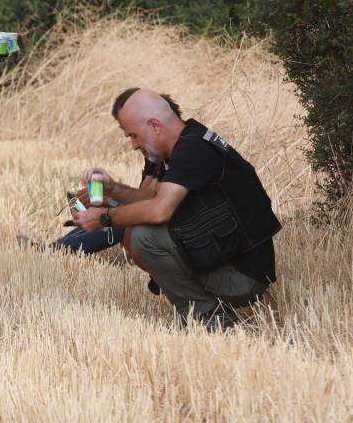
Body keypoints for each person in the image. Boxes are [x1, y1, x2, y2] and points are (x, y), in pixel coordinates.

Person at [72, 88, 281, 329]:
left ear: (154, 126)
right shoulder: (184, 142)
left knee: (141, 236)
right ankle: (204, 307)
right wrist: (111, 189)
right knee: (137, 231)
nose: (134, 145)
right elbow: (150, 198)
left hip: (242, 276)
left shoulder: (193, 149)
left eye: (134, 136)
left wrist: (105, 218)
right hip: (232, 260)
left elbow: (159, 209)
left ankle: (209, 317)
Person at [17, 94, 183, 256]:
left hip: (177, 228)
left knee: (121, 217)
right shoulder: (156, 154)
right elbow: (145, 194)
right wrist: (108, 199)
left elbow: (152, 205)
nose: (134, 145)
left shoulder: (180, 151)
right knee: (113, 213)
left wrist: (110, 202)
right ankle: (55, 248)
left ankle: (56, 251)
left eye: (134, 134)